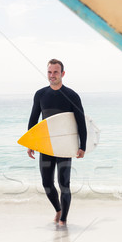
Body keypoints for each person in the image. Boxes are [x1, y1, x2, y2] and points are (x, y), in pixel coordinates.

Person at [27, 59, 87, 227]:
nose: (52, 75)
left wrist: (82, 146)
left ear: (62, 74)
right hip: (46, 144)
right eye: (49, 72)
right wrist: (30, 142)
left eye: (55, 72)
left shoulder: (72, 95)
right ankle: (58, 209)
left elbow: (81, 122)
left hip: (65, 146)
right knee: (46, 183)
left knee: (64, 184)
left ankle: (63, 220)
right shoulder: (40, 94)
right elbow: (33, 119)